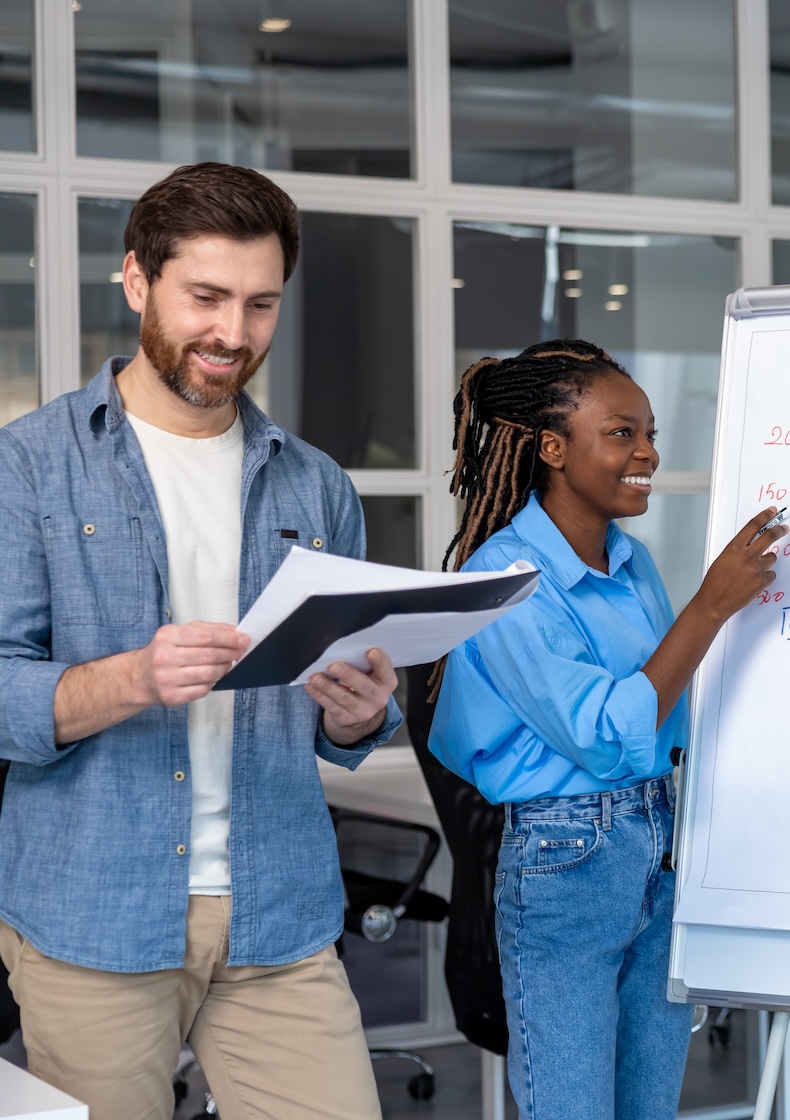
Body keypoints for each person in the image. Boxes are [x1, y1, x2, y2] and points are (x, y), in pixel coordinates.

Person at [0, 163, 401, 1120]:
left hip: (279, 915)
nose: (233, 333)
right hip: (95, 917)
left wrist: (360, 716)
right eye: (207, 297)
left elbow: (335, 722)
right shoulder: (28, 467)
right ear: (137, 280)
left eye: (261, 304)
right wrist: (134, 678)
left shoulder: (316, 488)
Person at [428, 341, 787, 1120]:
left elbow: (669, 707)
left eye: (649, 431)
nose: (649, 452)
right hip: (568, 859)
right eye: (623, 433)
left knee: (648, 1107)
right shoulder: (504, 579)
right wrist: (711, 605)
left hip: (656, 839)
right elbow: (603, 731)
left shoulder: (633, 562)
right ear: (552, 449)